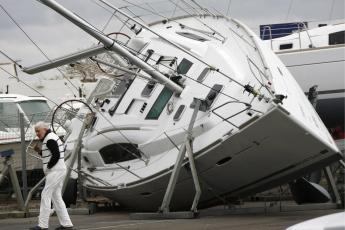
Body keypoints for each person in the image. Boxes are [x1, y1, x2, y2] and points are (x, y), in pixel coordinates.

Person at [29, 121, 74, 230]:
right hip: (58, 170)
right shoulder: (50, 138)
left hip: (55, 171)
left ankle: (43, 225)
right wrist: (39, 151)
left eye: (38, 131)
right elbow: (52, 153)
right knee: (56, 197)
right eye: (36, 132)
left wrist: (49, 166)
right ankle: (67, 224)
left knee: (45, 195)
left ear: (44, 129)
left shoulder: (49, 139)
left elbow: (56, 155)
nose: (37, 134)